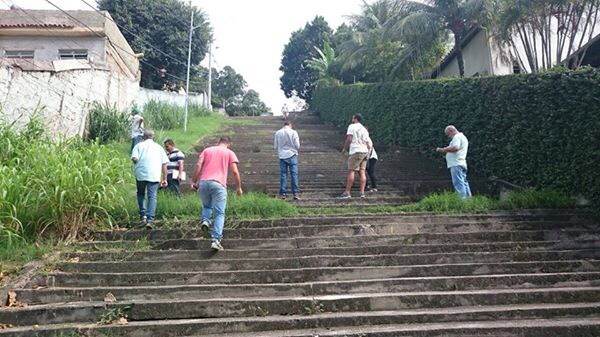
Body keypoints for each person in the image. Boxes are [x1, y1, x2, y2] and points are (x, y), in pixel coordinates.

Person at [191, 136, 243, 251]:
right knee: (219, 213)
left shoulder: (207, 150)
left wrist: (194, 181)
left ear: (218, 142)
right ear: (228, 144)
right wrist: (238, 187)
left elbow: (199, 165)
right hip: (219, 184)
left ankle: (205, 220)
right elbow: (234, 171)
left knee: (207, 206)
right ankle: (216, 240)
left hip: (204, 183)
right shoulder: (229, 152)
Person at [131, 130, 169, 229]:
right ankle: (150, 220)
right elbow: (164, 164)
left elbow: (134, 158)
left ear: (143, 137)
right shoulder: (159, 148)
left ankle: (143, 216)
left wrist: (137, 162)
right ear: (153, 137)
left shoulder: (138, 146)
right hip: (154, 174)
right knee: (152, 196)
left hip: (141, 174)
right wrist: (165, 178)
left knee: (141, 193)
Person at [340, 114, 372, 199]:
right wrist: (368, 152)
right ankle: (362, 193)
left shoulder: (352, 126)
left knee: (351, 171)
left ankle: (347, 192)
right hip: (364, 151)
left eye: (353, 117)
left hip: (356, 150)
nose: (352, 118)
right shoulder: (364, 129)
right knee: (362, 172)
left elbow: (349, 138)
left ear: (355, 119)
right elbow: (368, 142)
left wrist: (344, 149)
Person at [436, 125, 472, 199]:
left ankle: (462, 201)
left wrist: (443, 149)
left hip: (456, 164)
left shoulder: (457, 137)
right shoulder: (463, 137)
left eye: (448, 134)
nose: (449, 136)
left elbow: (455, 147)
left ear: (451, 131)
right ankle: (469, 200)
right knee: (464, 182)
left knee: (458, 183)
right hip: (461, 163)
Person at [274, 121, 300, 200]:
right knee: (294, 174)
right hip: (292, 154)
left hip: (282, 156)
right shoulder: (294, 132)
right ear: (290, 125)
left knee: (283, 175)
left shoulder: (278, 133)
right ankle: (295, 193)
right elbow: (297, 145)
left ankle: (283, 194)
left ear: (284, 125)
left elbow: (275, 146)